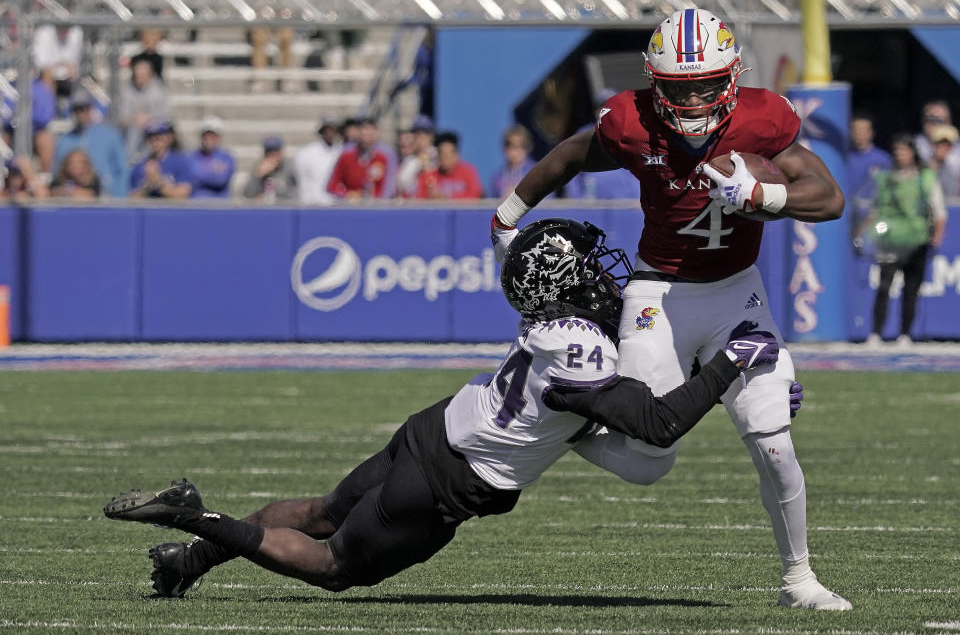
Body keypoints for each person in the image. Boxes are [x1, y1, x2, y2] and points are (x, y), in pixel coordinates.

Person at [103, 218, 780, 597]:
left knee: (321, 512)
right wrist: (734, 359)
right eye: (592, 269)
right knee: (333, 565)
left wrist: (702, 358)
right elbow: (659, 421)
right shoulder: (586, 355)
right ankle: (197, 515)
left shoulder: (557, 328)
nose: (607, 276)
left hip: (435, 428)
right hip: (452, 478)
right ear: (567, 284)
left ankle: (187, 562)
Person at [488, 8, 851, 611]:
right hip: (657, 292)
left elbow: (831, 197)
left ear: (732, 77)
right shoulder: (632, 122)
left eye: (706, 84)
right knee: (648, 460)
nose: (694, 99)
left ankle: (800, 580)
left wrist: (766, 195)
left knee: (773, 440)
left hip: (737, 290)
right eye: (679, 89)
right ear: (656, 86)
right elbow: (573, 154)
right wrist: (508, 211)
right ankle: (565, 419)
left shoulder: (764, 117)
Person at [861, 134, 947, 347]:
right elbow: (876, 209)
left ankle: (905, 334)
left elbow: (938, 210)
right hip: (891, 240)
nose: (900, 155)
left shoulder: (925, 178)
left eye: (904, 150)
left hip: (917, 240)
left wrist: (936, 236)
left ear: (913, 153)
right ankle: (876, 333)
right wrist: (863, 232)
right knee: (884, 287)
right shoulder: (885, 178)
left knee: (911, 289)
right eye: (897, 150)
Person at [564, 89, 642, 201]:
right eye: (601, 106)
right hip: (592, 204)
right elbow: (571, 167)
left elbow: (641, 166)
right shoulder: (583, 134)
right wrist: (576, 199)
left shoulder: (632, 132)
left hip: (628, 203)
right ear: (595, 110)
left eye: (611, 106)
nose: (605, 110)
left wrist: (638, 198)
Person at [54, 89, 129, 197]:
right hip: (75, 198)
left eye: (84, 108)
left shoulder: (110, 134)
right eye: (77, 109)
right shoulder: (64, 140)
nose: (80, 113)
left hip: (107, 196)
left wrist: (119, 197)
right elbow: (58, 174)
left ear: (91, 109)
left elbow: (122, 169)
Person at [117, 60, 172, 162]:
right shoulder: (127, 91)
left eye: (143, 75)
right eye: (137, 76)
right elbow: (122, 118)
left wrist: (149, 119)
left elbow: (167, 117)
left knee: (152, 132)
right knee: (133, 131)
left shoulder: (160, 90)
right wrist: (135, 119)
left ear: (150, 75)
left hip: (155, 130)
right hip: (132, 130)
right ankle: (129, 161)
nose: (139, 79)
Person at [847, 112, 892, 231]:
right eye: (855, 130)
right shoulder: (842, 157)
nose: (858, 134)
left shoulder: (883, 159)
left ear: (871, 133)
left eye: (863, 130)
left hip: (873, 218)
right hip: (847, 215)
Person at [327, 118, 391, 200]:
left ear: (377, 134)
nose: (368, 135)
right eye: (365, 131)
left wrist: (376, 199)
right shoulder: (346, 156)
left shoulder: (385, 157)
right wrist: (348, 195)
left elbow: (389, 187)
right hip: (352, 207)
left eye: (371, 132)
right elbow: (332, 186)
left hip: (378, 207)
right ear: (358, 133)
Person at [129, 120, 193, 199]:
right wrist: (147, 185)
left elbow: (183, 194)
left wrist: (158, 182)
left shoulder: (181, 162)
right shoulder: (141, 165)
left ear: (170, 138)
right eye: (150, 138)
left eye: (158, 138)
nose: (154, 142)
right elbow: (133, 198)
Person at [415, 131, 483, 200]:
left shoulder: (468, 172)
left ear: (456, 154)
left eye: (448, 155)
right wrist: (431, 198)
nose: (444, 158)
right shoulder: (428, 176)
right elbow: (419, 199)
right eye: (442, 154)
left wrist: (447, 199)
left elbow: (475, 194)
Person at [294, 116, 343, 204]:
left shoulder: (342, 152)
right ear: (322, 131)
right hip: (313, 205)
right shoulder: (306, 153)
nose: (330, 133)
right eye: (327, 129)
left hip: (336, 205)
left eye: (334, 129)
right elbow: (301, 180)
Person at [188, 116, 235, 199]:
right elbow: (188, 180)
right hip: (195, 203)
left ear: (219, 137)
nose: (208, 138)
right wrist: (212, 173)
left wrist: (198, 176)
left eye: (212, 135)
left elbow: (220, 180)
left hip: (220, 204)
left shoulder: (226, 157)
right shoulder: (191, 156)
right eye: (206, 135)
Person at [488, 125, 537, 200]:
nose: (513, 150)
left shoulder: (537, 171)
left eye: (518, 146)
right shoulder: (497, 176)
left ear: (527, 147)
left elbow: (550, 203)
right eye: (508, 145)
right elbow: (490, 204)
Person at [242, 136, 296, 202]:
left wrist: (276, 196)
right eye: (269, 151)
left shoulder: (289, 168)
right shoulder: (258, 167)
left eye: (275, 150)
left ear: (281, 152)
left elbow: (296, 193)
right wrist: (258, 176)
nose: (272, 154)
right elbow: (247, 195)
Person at [396, 115, 436, 198]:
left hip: (434, 204)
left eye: (425, 132)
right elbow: (401, 184)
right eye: (417, 133)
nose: (421, 136)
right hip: (412, 204)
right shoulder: (409, 160)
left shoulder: (438, 155)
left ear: (432, 136)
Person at [926, 124, 960, 200]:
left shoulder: (954, 167)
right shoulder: (925, 166)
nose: (943, 148)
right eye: (939, 144)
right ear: (933, 145)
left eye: (948, 144)